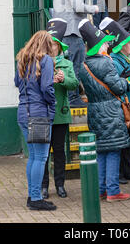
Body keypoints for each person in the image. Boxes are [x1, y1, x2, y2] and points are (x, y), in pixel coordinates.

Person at [78, 19, 130, 202]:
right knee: (114, 150)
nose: (108, 45)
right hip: (111, 111)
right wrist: (125, 81)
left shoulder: (84, 65)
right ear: (100, 45)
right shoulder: (106, 63)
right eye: (105, 43)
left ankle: (100, 189)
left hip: (94, 110)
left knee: (101, 150)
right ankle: (113, 191)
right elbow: (118, 88)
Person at [14, 31, 57, 211]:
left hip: (23, 113)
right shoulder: (45, 60)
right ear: (46, 45)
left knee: (33, 157)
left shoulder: (22, 60)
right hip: (39, 114)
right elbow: (47, 88)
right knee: (40, 157)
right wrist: (52, 103)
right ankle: (36, 198)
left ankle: (32, 196)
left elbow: (17, 82)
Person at [99, 17, 130, 183]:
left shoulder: (129, 59)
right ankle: (120, 173)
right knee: (122, 140)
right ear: (122, 46)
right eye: (129, 43)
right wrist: (128, 80)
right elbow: (117, 83)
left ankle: (129, 171)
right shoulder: (116, 61)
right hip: (121, 105)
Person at [53, 0, 99, 107]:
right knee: (75, 66)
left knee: (67, 65)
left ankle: (70, 98)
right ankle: (73, 98)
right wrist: (93, 8)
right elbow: (78, 7)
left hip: (64, 34)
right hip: (72, 33)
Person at [42, 18, 79, 199]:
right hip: (43, 115)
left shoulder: (67, 64)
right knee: (43, 154)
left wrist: (63, 79)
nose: (52, 48)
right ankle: (43, 187)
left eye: (54, 45)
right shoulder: (39, 63)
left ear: (59, 47)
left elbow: (74, 85)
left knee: (59, 152)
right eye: (49, 45)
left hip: (61, 113)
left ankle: (60, 185)